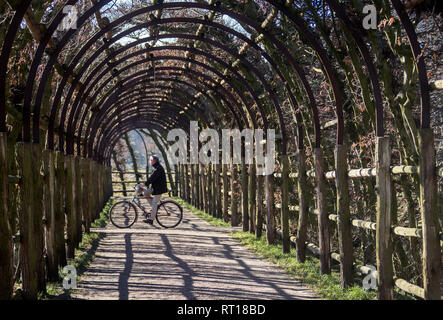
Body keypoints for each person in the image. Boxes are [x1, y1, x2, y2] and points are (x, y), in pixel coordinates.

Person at [138, 155, 168, 224]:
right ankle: (155, 209)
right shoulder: (156, 167)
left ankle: (151, 219)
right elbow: (151, 177)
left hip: (159, 188)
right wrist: (145, 184)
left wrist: (145, 184)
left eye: (150, 160)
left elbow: (153, 178)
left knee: (154, 203)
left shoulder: (158, 168)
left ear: (154, 161)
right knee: (145, 193)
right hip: (155, 187)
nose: (149, 161)